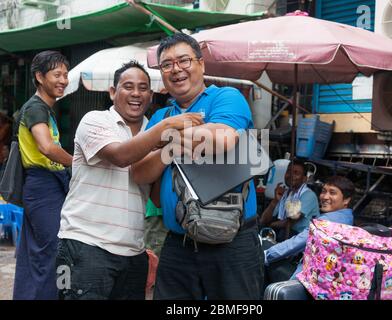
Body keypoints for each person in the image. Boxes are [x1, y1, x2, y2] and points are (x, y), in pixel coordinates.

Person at [131, 33, 264, 300]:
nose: (176, 69)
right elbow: (138, 172)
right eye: (167, 64)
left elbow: (220, 140)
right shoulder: (161, 116)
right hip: (178, 244)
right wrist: (173, 141)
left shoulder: (227, 97)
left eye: (183, 60)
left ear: (201, 64)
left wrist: (163, 139)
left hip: (232, 244)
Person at [56, 60, 202, 300]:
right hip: (86, 246)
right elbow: (121, 156)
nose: (136, 93)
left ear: (150, 95)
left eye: (143, 88)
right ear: (113, 92)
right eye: (128, 86)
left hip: (134, 252)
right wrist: (165, 127)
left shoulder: (154, 131)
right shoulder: (95, 120)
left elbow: (155, 196)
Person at [13, 51, 73, 300]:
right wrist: (80, 164)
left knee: (36, 254)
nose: (63, 80)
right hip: (43, 187)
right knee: (51, 253)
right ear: (39, 76)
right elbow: (46, 147)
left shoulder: (43, 109)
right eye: (57, 74)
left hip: (44, 186)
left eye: (66, 75)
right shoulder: (36, 108)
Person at [264, 175, 355, 283]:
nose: (325, 197)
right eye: (324, 191)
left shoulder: (326, 221)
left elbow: (297, 243)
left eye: (332, 192)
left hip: (305, 280)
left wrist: (265, 255)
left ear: (346, 200)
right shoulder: (348, 217)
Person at [259, 159, 319, 242]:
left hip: (302, 238)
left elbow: (290, 221)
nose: (290, 175)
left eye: (296, 173)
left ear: (304, 179)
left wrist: (270, 225)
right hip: (285, 234)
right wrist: (275, 201)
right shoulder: (286, 193)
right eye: (289, 171)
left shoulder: (308, 195)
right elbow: (263, 220)